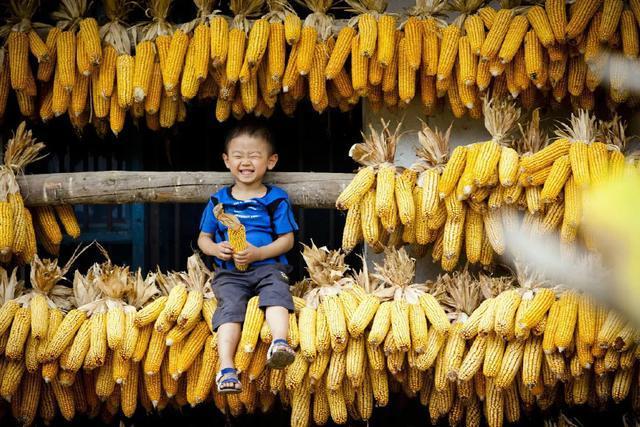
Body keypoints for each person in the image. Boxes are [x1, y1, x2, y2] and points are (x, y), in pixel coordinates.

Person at [197, 120, 298, 394]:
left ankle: (279, 342)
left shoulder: (277, 199)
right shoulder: (218, 201)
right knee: (229, 310)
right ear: (227, 161)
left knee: (277, 295)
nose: (246, 162)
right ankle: (227, 368)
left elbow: (287, 240)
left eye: (254, 156)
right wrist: (216, 249)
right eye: (239, 156)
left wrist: (259, 253)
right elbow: (203, 239)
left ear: (271, 161)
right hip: (229, 273)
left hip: (268, 267)